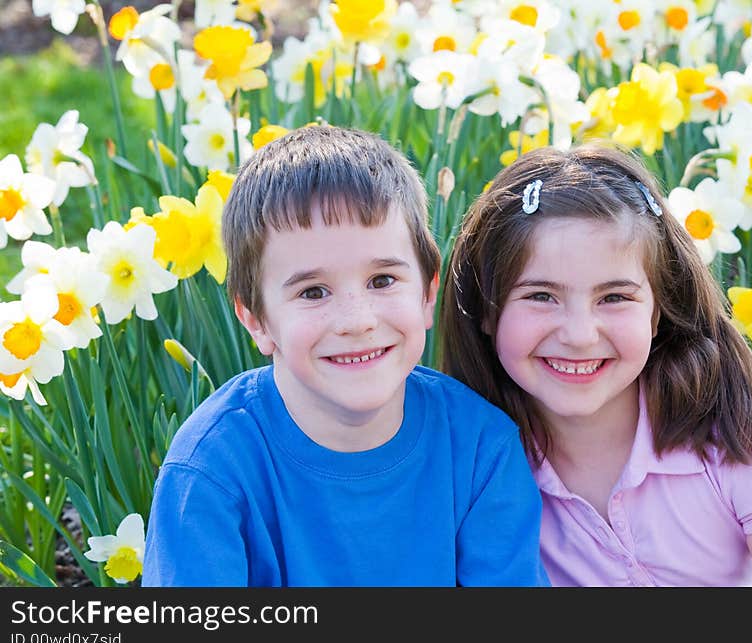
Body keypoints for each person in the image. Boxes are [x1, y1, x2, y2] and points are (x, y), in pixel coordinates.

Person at [142, 125, 547, 586]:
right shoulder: (213, 469)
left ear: (428, 291)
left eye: (382, 281)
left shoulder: (479, 447)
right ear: (255, 318)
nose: (357, 321)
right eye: (313, 291)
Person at [440, 142, 752, 586]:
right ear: (486, 309)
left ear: (657, 312)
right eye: (541, 296)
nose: (579, 334)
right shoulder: (476, 466)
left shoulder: (737, 431)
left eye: (614, 297)